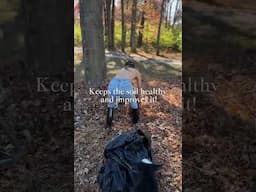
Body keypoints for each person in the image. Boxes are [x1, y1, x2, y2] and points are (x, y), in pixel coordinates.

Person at [106, 60, 142, 129]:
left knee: (110, 105)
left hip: (113, 83)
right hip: (125, 85)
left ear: (126, 66)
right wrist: (139, 96)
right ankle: (135, 122)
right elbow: (139, 86)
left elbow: (120, 83)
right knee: (134, 103)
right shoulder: (136, 71)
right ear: (134, 67)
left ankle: (108, 124)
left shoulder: (122, 70)